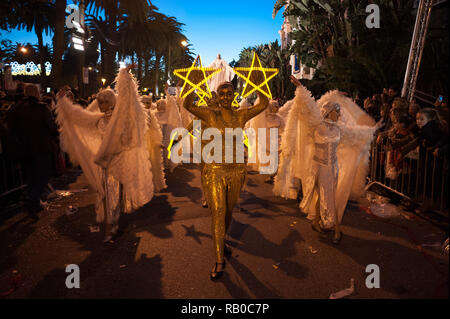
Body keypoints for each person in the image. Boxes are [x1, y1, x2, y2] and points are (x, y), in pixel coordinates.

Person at [55, 64, 155, 242]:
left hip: (117, 163)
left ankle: (111, 226)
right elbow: (78, 117)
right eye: (99, 102)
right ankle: (110, 223)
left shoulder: (120, 119)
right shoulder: (98, 119)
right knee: (103, 194)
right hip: (102, 164)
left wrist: (124, 75)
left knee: (112, 194)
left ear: (113, 102)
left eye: (105, 101)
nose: (101, 105)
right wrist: (63, 103)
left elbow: (129, 102)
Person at [274, 76, 377, 244]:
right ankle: (326, 225)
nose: (340, 114)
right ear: (330, 112)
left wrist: (373, 129)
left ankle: (326, 225)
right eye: (337, 111)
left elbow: (357, 134)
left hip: (331, 168)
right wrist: (300, 86)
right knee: (322, 195)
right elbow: (310, 106)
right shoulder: (318, 125)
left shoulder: (339, 129)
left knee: (325, 196)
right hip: (318, 167)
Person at [182, 81, 269, 280]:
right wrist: (192, 84)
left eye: (229, 93)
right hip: (214, 171)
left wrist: (259, 83)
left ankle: (221, 240)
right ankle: (219, 260)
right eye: (222, 94)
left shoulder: (241, 115)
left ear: (234, 95)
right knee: (218, 212)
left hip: (237, 172)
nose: (225, 97)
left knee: (228, 212)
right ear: (218, 96)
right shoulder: (211, 115)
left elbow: (263, 104)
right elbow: (188, 105)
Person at [6, 84, 59, 220]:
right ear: (37, 93)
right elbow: (52, 127)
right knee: (43, 176)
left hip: (25, 149)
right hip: (41, 148)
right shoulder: (42, 108)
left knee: (31, 177)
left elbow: (11, 129)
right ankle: (33, 202)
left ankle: (33, 202)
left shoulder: (17, 109)